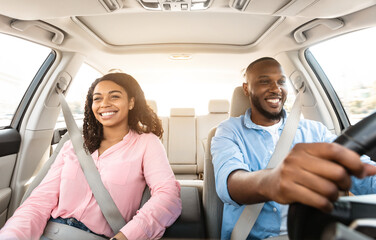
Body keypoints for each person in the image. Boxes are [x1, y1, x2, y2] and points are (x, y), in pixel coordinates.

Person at [0, 73, 182, 240]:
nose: (104, 104)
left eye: (115, 96)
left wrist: (126, 236)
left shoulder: (146, 143)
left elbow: (168, 196)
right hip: (49, 232)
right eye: (98, 99)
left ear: (131, 103)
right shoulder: (73, 145)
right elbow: (40, 200)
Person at [211, 57, 376, 240]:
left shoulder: (315, 131)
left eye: (281, 81)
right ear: (246, 88)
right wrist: (272, 181)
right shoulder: (228, 131)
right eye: (264, 81)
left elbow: (358, 168)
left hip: (311, 233)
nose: (276, 89)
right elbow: (230, 182)